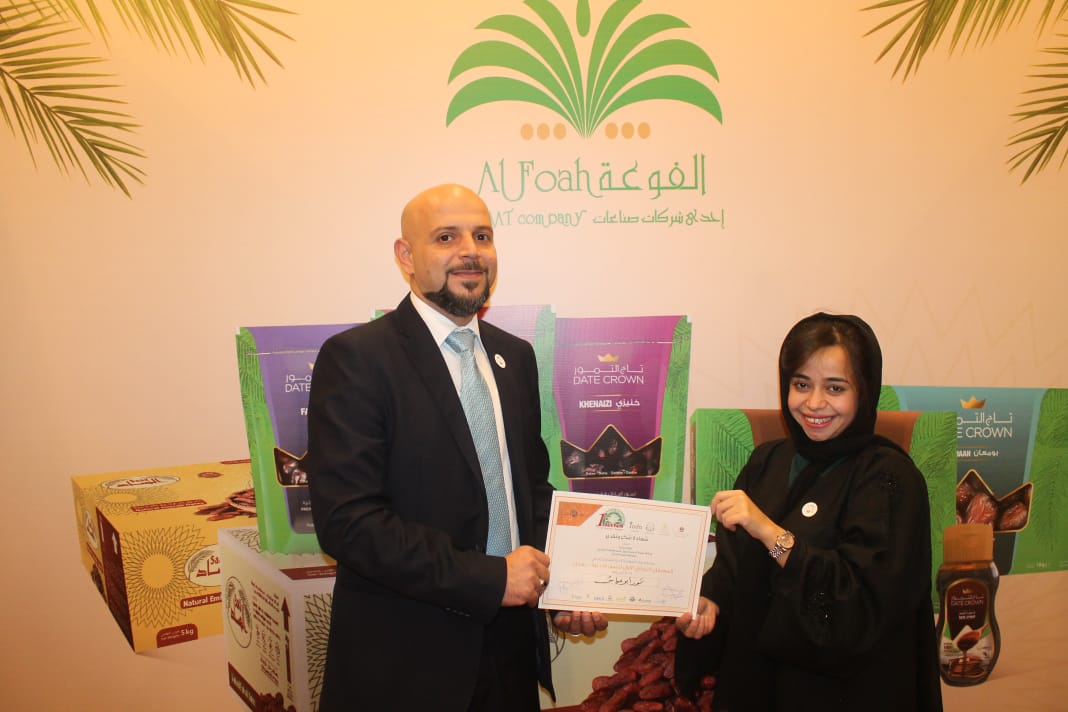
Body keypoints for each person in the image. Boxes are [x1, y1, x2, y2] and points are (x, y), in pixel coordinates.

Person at [305, 183, 606, 712]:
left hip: (510, 654)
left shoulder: (515, 357)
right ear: (406, 256)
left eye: (482, 236)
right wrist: (491, 579)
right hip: (409, 663)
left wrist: (565, 588)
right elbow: (349, 522)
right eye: (446, 237)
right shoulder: (358, 359)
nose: (470, 251)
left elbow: (531, 492)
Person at [675, 312, 943, 711]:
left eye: (835, 387)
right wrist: (710, 603)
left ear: (865, 390)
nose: (814, 403)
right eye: (801, 384)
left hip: (846, 694)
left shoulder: (888, 476)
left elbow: (862, 604)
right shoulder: (767, 461)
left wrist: (770, 532)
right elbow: (734, 568)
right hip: (758, 684)